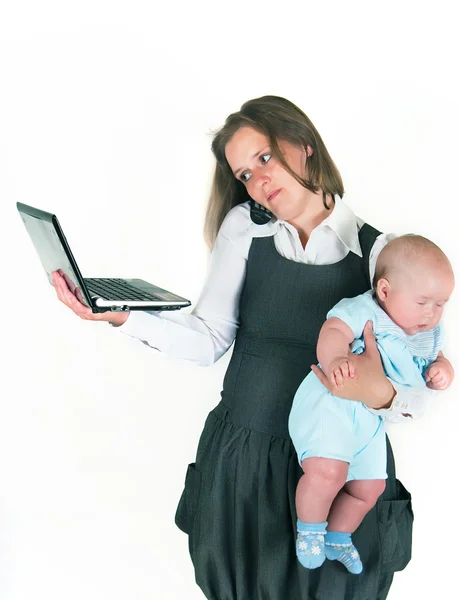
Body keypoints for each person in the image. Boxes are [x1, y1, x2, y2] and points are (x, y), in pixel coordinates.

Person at [51, 95, 427, 600]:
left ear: (304, 145)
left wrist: (379, 392)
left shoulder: (383, 254)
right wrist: (119, 315)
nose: (258, 181)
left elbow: (418, 394)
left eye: (265, 158)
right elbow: (208, 339)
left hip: (340, 468)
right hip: (242, 462)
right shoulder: (241, 232)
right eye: (245, 174)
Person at [289, 234, 454, 575]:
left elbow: (431, 361)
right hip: (330, 403)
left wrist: (442, 369)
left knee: (370, 487)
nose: (432, 314)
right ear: (384, 291)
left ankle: (338, 535)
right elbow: (333, 330)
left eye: (441, 304)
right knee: (327, 473)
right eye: (423, 302)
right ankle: (309, 530)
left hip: (370, 417)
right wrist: (335, 359)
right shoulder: (365, 311)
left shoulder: (426, 334)